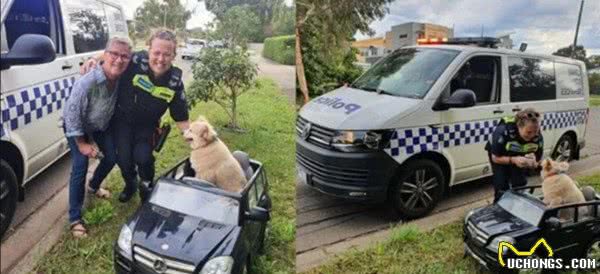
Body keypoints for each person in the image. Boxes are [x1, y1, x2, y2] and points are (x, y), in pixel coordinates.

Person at [82, 29, 190, 203]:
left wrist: (197, 141)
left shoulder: (174, 83)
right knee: (124, 160)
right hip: (122, 122)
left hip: (148, 127)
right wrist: (95, 59)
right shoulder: (136, 60)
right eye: (156, 53)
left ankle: (146, 188)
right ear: (149, 50)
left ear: (174, 55)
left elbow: (181, 118)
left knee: (144, 158)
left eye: (167, 54)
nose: (161, 59)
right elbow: (115, 53)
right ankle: (131, 184)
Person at [63, 37, 132, 238]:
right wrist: (82, 143)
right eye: (114, 54)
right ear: (106, 54)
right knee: (80, 166)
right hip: (77, 128)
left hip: (100, 125)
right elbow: (71, 115)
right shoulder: (87, 82)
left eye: (124, 56)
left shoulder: (122, 77)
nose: (119, 60)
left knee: (111, 157)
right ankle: (75, 218)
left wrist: (96, 56)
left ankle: (93, 187)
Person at [485, 108, 544, 202]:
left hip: (518, 153)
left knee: (520, 183)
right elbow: (495, 158)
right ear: (518, 126)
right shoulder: (503, 131)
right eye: (529, 132)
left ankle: (517, 207)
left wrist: (533, 162)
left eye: (535, 132)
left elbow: (538, 160)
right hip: (500, 154)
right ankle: (499, 207)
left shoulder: (537, 135)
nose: (532, 135)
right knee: (501, 185)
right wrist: (513, 160)